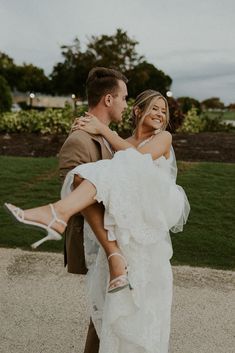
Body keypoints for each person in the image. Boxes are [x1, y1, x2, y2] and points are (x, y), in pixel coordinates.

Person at [4, 90, 190, 353]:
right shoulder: (121, 142)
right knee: (115, 309)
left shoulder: (163, 138)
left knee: (144, 308)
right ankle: (60, 217)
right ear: (138, 111)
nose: (161, 114)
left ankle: (57, 213)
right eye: (154, 108)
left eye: (164, 110)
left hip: (153, 217)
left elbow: (140, 161)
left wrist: (102, 128)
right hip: (126, 227)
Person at [58, 66, 128, 353]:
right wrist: (112, 251)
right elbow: (76, 193)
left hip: (119, 237)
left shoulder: (109, 138)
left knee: (112, 312)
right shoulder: (78, 140)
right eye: (124, 97)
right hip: (98, 243)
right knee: (102, 314)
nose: (127, 103)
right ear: (108, 100)